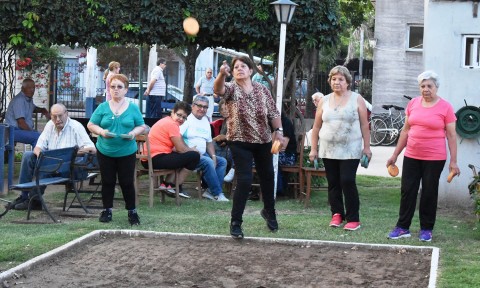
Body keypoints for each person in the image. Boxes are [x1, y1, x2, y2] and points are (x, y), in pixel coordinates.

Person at [214, 55, 286, 239]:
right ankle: (236, 222)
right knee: (244, 180)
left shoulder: (262, 90)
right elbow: (218, 89)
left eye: (243, 66)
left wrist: (278, 130)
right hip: (239, 141)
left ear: (251, 70)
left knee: (268, 177)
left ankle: (269, 212)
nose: (239, 69)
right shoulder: (231, 88)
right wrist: (222, 74)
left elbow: (273, 112)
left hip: (263, 141)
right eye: (236, 66)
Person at [386, 71, 459, 242]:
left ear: (436, 87)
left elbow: (452, 135)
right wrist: (395, 154)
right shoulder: (413, 104)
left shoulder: (445, 107)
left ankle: (426, 229)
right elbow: (405, 130)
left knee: (428, 192)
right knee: (407, 191)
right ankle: (403, 227)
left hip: (434, 157)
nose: (426, 89)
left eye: (429, 86)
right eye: (423, 86)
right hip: (412, 154)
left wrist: (454, 161)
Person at [309, 65, 371, 231]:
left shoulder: (357, 99)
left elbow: (365, 125)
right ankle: (336, 213)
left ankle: (353, 218)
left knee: (347, 180)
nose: (337, 82)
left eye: (340, 79)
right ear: (330, 81)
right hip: (328, 148)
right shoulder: (324, 100)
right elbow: (316, 127)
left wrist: (367, 147)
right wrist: (313, 149)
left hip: (351, 148)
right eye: (334, 79)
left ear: (347, 82)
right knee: (333, 183)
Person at [6, 103, 96, 210]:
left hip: (70, 167)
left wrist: (74, 152)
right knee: (28, 156)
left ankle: (34, 201)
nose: (57, 119)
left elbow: (92, 149)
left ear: (66, 114)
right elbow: (38, 147)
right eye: (54, 116)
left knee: (46, 168)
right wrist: (42, 157)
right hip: (52, 163)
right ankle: (24, 196)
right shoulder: (49, 125)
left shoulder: (76, 127)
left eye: (60, 115)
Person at [87, 74, 146, 226]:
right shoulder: (103, 107)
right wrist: (102, 132)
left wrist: (133, 133)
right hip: (105, 150)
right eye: (113, 87)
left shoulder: (133, 107)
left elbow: (141, 125)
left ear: (126, 90)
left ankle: (132, 212)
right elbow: (91, 124)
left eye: (119, 87)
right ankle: (107, 210)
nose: (115, 90)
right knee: (108, 181)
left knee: (126, 182)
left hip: (126, 151)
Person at [145, 101, 200, 199]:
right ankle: (174, 187)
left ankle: (167, 184)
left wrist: (189, 150)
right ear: (172, 112)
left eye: (184, 117)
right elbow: (180, 149)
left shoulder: (167, 121)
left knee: (184, 157)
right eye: (179, 115)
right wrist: (193, 151)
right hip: (155, 158)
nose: (181, 119)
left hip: (150, 158)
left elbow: (177, 148)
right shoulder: (172, 124)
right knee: (194, 157)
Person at [180, 96, 229, 202]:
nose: (202, 109)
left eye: (205, 107)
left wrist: (214, 156)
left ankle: (210, 192)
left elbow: (209, 141)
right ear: (193, 106)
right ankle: (217, 193)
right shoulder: (186, 119)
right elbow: (177, 137)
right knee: (207, 161)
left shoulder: (205, 120)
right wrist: (188, 150)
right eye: (199, 106)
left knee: (222, 161)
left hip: (203, 154)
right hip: (188, 155)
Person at [5, 78, 50, 147]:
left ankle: (39, 156)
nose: (32, 90)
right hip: (13, 131)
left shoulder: (28, 99)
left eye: (33, 88)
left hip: (18, 130)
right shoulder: (19, 100)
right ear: (23, 88)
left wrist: (42, 110)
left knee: (42, 136)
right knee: (37, 137)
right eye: (29, 88)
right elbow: (21, 123)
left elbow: (33, 108)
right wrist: (31, 132)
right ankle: (38, 157)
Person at [212, 100, 235, 183]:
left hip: (234, 147)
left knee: (213, 145)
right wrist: (224, 140)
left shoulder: (234, 119)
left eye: (226, 108)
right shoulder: (225, 120)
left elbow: (236, 136)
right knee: (214, 147)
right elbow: (223, 137)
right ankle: (212, 178)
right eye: (222, 109)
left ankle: (230, 169)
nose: (224, 111)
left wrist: (222, 138)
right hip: (227, 145)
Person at [277, 113, 297, 196]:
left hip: (288, 156)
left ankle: (278, 189)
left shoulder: (286, 123)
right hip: (277, 154)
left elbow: (282, 147)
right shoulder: (270, 123)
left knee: (268, 160)